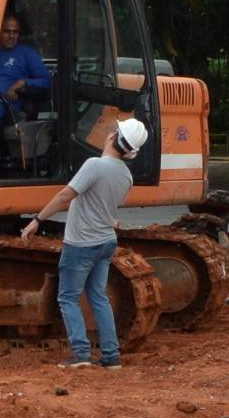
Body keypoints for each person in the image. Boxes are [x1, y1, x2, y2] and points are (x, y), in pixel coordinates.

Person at [20, 115, 147, 370]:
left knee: (68, 297)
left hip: (81, 243)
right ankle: (111, 356)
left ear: (113, 137)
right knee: (99, 297)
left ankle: (80, 354)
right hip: (105, 242)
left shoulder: (94, 165)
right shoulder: (126, 175)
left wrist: (37, 219)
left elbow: (66, 195)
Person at [0, 19, 52, 171]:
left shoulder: (26, 53)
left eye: (15, 32)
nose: (11, 36)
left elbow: (46, 81)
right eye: (7, 31)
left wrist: (24, 82)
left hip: (7, 105)